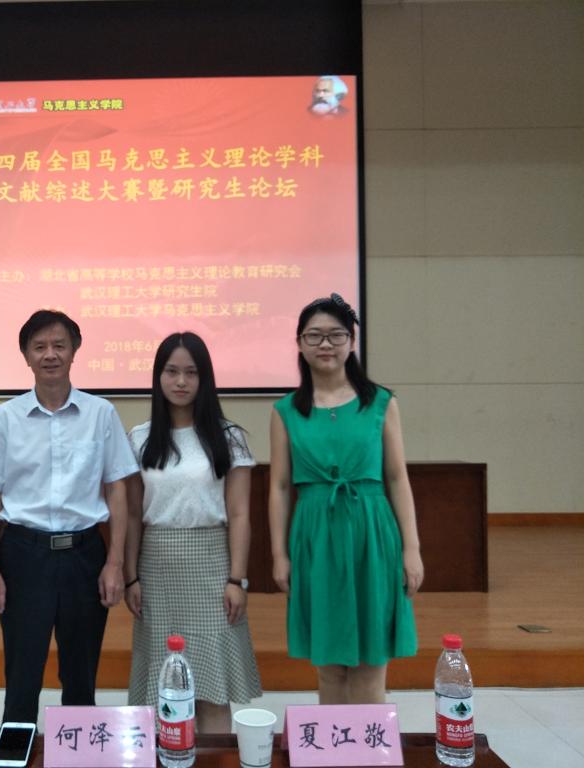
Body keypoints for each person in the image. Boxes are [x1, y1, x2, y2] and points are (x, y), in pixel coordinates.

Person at [0, 309, 138, 724]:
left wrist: (114, 563)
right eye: (40, 346)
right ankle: (17, 749)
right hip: (23, 554)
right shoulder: (5, 419)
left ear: (74, 351)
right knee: (22, 672)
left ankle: (79, 749)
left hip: (84, 553)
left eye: (59, 345)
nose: (50, 354)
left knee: (81, 675)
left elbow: (117, 489)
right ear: (26, 355)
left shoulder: (101, 413)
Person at [268, 294, 423, 704]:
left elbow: (397, 477)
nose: (325, 344)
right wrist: (279, 554)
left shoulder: (381, 403)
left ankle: (368, 742)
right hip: (315, 535)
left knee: (372, 662)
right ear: (299, 343)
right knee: (329, 665)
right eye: (314, 335)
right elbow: (280, 487)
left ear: (351, 342)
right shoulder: (286, 411)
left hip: (372, 532)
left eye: (336, 335)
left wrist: (411, 549)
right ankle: (334, 742)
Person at [125, 332, 262, 733]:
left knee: (212, 688)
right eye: (171, 372)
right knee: (162, 687)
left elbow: (240, 514)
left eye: (191, 372)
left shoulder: (229, 437)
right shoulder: (140, 437)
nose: (181, 381)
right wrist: (130, 576)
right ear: (158, 377)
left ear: (205, 378)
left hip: (212, 565)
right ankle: (169, 756)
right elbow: (131, 514)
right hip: (156, 566)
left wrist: (237, 579)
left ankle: (214, 759)